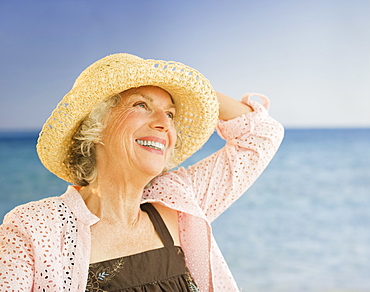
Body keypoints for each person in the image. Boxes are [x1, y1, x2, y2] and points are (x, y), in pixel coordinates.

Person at [0, 53, 284, 291]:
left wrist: (199, 92)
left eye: (170, 114)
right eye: (141, 105)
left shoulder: (177, 201)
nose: (164, 123)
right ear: (95, 125)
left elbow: (261, 134)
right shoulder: (32, 228)